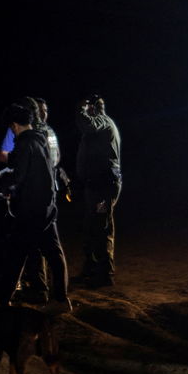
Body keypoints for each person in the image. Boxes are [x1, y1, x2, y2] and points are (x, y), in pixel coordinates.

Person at [0, 102, 71, 313]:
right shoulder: (42, 139)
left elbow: (19, 177)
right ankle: (61, 299)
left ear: (14, 125)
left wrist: (3, 186)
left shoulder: (24, 143)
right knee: (54, 254)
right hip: (47, 206)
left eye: (11, 127)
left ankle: (2, 301)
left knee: (16, 254)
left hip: (30, 209)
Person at [74, 94, 122, 286]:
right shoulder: (100, 125)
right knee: (92, 226)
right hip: (97, 185)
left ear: (94, 108)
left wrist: (80, 108)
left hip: (103, 188)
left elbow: (87, 124)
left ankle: (105, 274)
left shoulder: (102, 121)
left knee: (102, 226)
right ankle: (92, 268)